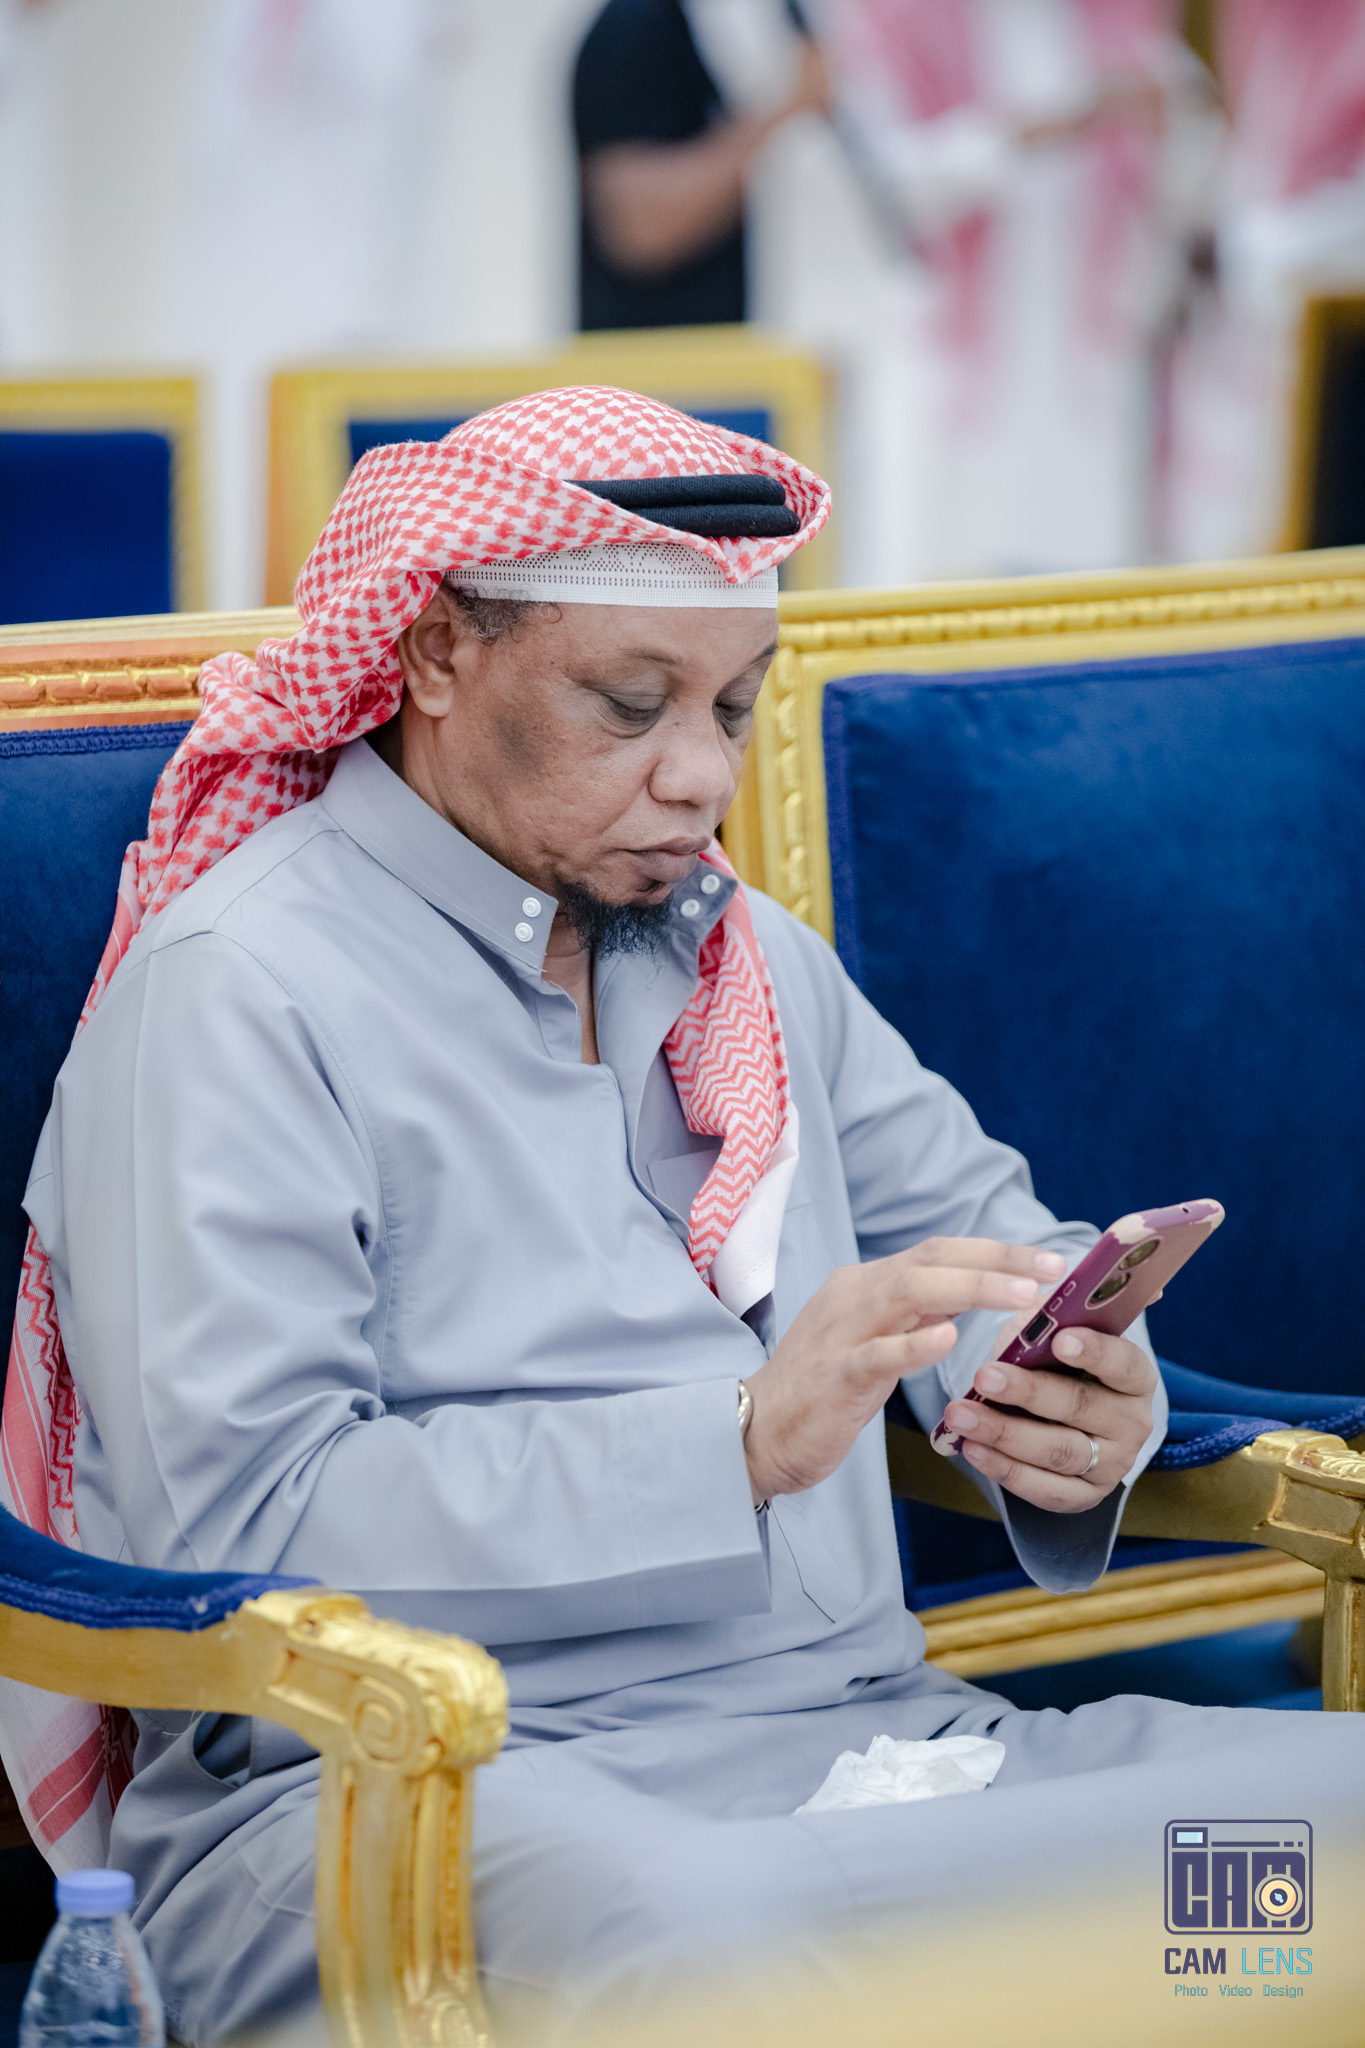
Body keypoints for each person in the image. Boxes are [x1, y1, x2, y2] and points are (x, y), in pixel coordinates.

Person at [2, 386, 1360, 2045]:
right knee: (734, 1961)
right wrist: (735, 1442)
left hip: (869, 1747)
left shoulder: (743, 952)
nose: (704, 776)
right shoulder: (240, 992)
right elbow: (248, 1523)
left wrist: (1068, 1395)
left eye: (732, 703)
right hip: (421, 1803)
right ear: (432, 655)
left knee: (1327, 1858)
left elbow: (983, 1243)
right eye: (632, 704)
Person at [819, 0, 1216, 577]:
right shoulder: (895, 18)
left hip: (1089, 370)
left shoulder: (1125, 22)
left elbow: (1195, 191)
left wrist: (1177, 124)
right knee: (943, 575)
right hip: (947, 372)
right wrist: (1041, 130)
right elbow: (892, 185)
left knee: (1082, 575)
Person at [1164, 0, 1365, 560]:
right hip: (1240, 347)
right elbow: (1246, 162)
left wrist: (1256, 249)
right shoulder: (1263, 22)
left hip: (1332, 353)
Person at [573, 0, 829, 329]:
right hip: (655, 352)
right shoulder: (634, 29)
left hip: (704, 348)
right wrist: (787, 108)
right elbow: (640, 224)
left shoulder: (690, 29)